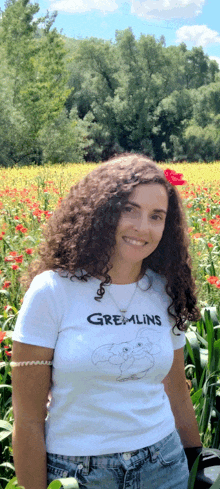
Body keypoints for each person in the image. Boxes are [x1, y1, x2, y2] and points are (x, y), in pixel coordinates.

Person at [11, 153, 203, 489]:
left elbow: (176, 392)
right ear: (102, 211)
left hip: (164, 466)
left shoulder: (164, 290)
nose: (143, 227)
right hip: (78, 475)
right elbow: (27, 419)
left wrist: (198, 461)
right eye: (129, 209)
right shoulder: (53, 291)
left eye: (156, 216)